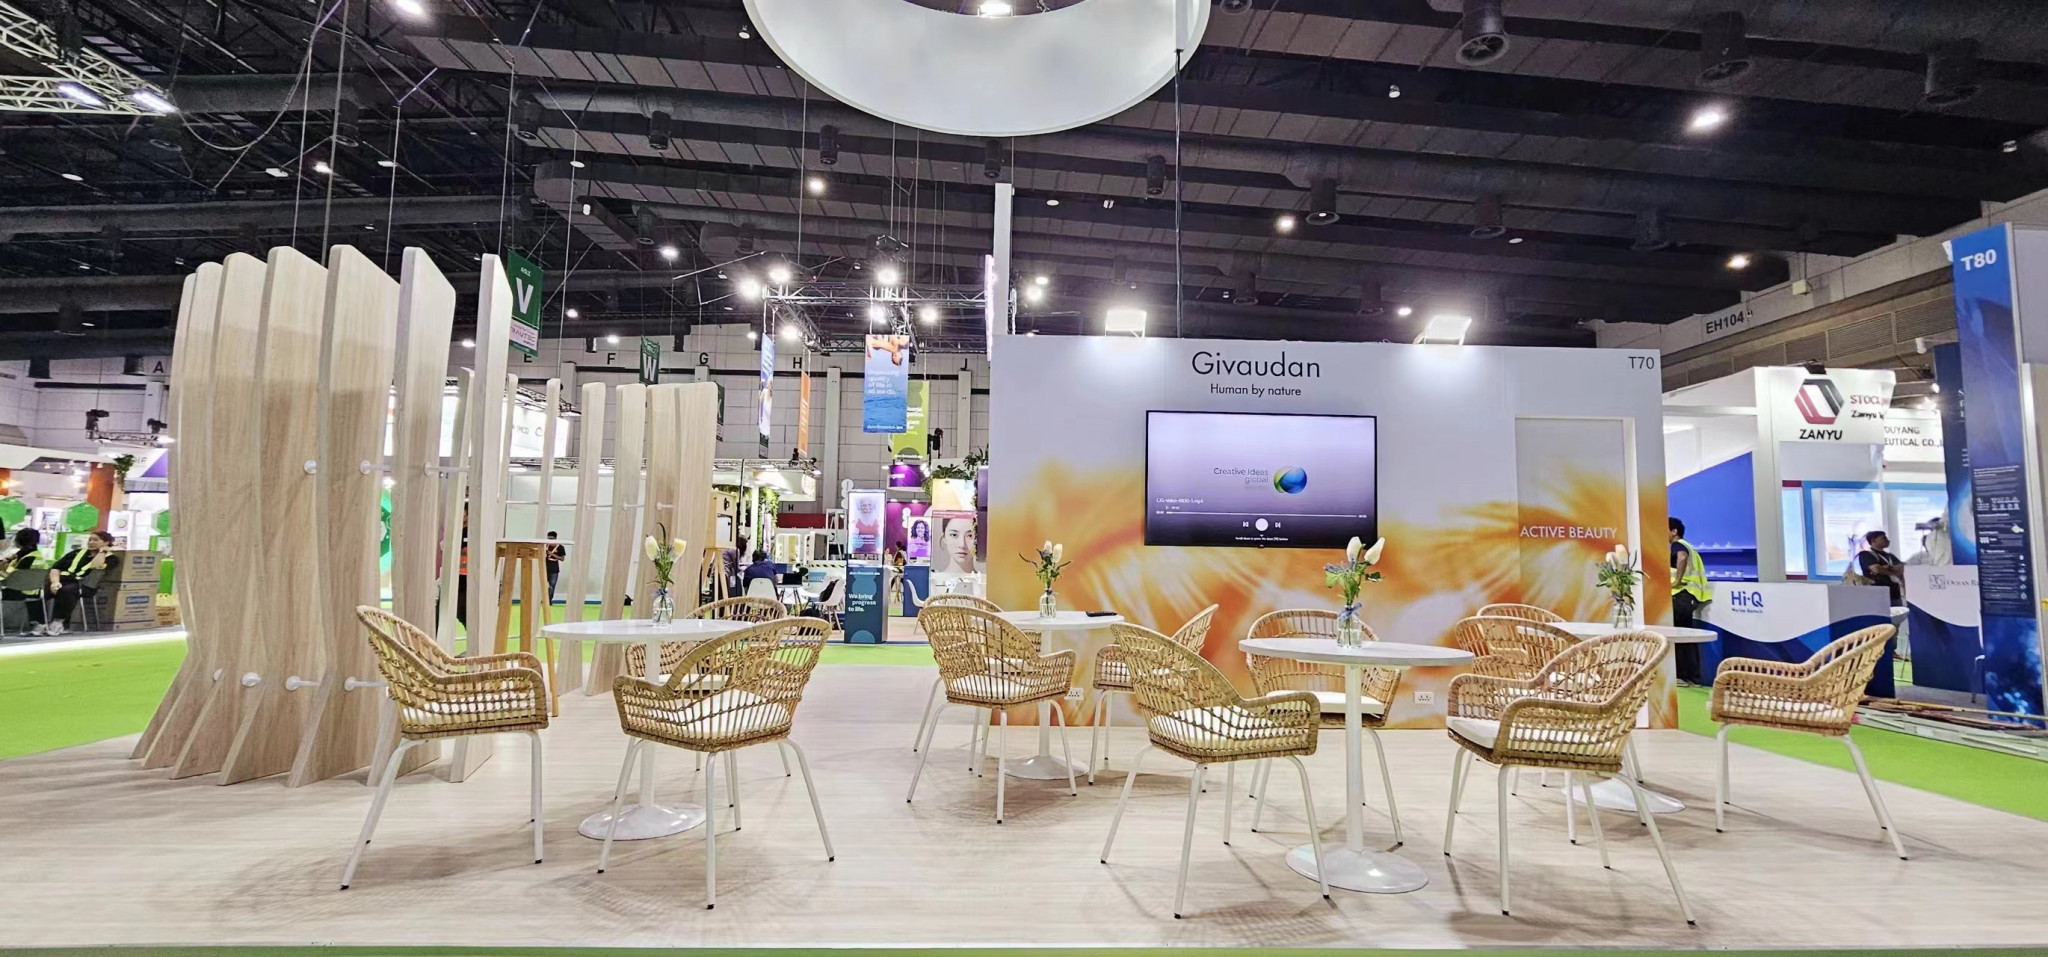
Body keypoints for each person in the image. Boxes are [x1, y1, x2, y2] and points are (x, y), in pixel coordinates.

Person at [44, 531, 118, 635]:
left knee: (66, 591)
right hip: (63, 581)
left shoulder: (111, 559)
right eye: (90, 540)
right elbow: (56, 567)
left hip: (85, 585)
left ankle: (58, 621)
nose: (91, 542)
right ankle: (39, 623)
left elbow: (96, 565)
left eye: (96, 540)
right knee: (38, 592)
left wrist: (102, 552)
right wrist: (55, 582)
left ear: (106, 542)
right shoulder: (76, 552)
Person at [1668, 517, 1712, 683]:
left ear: (1674, 531)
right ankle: (1693, 677)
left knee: (1678, 637)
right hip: (1690, 597)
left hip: (1682, 594)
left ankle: (1682, 675)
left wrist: (1676, 581)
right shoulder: (1690, 546)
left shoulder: (1678, 545)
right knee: (1687, 637)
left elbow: (1682, 558)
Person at [2, 527, 46, 635]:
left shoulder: (24, 559)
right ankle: (39, 624)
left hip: (15, 591)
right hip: (34, 592)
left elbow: (9, 576)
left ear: (18, 541)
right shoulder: (37, 556)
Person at [1856, 530, 1906, 606]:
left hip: (1895, 594)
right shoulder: (1866, 554)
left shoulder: (1890, 556)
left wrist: (1888, 568)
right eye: (1884, 538)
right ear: (1873, 540)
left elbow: (1903, 568)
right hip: (1877, 595)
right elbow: (1876, 569)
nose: (1887, 540)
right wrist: (1893, 571)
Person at [543, 531, 565, 602]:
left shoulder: (560, 547)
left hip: (554, 569)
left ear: (555, 538)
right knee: (543, 584)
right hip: (544, 567)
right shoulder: (545, 546)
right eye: (548, 538)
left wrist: (552, 554)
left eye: (551, 539)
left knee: (552, 585)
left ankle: (549, 600)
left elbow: (562, 559)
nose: (550, 540)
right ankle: (543, 599)